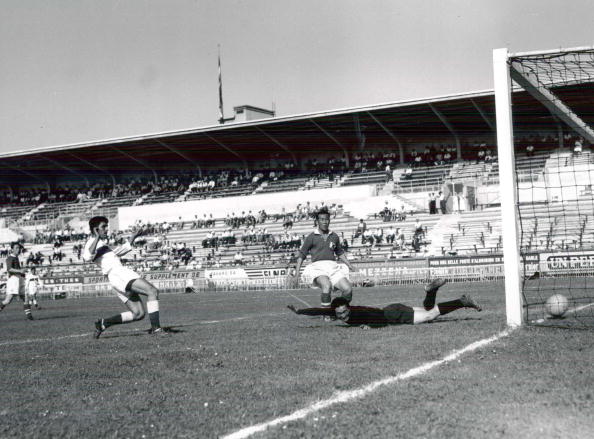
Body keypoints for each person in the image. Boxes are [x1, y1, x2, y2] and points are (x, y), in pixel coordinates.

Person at [83, 216, 167, 338]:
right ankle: (156, 329)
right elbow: (86, 257)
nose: (106, 229)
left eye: (106, 226)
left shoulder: (102, 245)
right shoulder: (92, 242)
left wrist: (133, 236)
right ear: (95, 229)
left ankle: (103, 323)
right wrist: (96, 237)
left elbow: (119, 251)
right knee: (152, 291)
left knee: (138, 314)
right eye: (103, 227)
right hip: (118, 273)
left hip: (116, 278)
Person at [287, 278, 481, 326]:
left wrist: (370, 326)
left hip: (391, 315)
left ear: (348, 307)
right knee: (428, 308)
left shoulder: (357, 312)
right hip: (393, 308)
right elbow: (318, 311)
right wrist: (299, 312)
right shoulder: (335, 311)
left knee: (430, 315)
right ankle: (431, 291)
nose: (343, 315)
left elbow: (378, 319)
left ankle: (462, 301)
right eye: (340, 314)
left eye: (345, 312)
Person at [291, 207, 356, 312]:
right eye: (322, 219)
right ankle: (326, 314)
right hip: (318, 268)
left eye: (326, 219)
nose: (325, 222)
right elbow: (301, 255)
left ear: (329, 220)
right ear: (317, 221)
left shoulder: (334, 236)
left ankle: (338, 311)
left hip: (333, 267)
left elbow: (340, 253)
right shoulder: (311, 237)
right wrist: (297, 273)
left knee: (348, 289)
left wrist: (350, 265)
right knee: (327, 285)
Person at [0, 242, 33, 320]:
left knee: (25, 297)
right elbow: (9, 269)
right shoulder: (10, 258)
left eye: (18, 248)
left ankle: (29, 317)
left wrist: (23, 273)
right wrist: (20, 271)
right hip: (13, 280)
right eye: (16, 248)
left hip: (19, 279)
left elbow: (17, 269)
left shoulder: (16, 258)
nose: (18, 250)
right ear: (12, 249)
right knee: (8, 300)